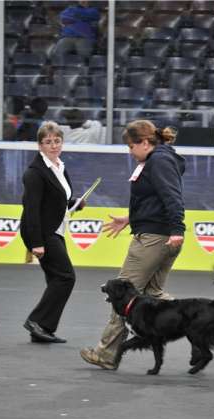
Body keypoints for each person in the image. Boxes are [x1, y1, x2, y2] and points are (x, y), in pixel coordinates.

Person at [80, 119, 186, 370]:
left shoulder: (158, 161)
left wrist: (177, 229)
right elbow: (156, 199)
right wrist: (131, 218)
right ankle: (196, 318)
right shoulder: (160, 159)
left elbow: (172, 196)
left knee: (122, 294)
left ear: (145, 143)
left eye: (131, 146)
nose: (129, 151)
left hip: (153, 240)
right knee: (153, 295)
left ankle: (106, 353)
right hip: (161, 235)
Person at [20, 121, 85, 343]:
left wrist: (75, 203)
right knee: (66, 277)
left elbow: (56, 200)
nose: (53, 145)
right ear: (40, 146)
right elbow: (32, 209)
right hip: (42, 233)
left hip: (55, 230)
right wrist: (36, 243)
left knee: (56, 278)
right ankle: (37, 321)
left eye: (57, 141)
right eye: (48, 142)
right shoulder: (35, 173)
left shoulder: (60, 167)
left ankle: (43, 329)